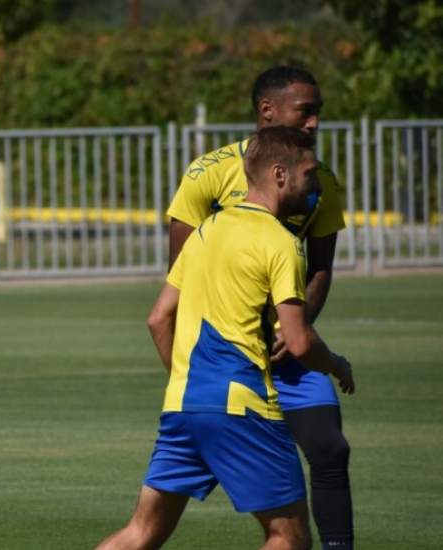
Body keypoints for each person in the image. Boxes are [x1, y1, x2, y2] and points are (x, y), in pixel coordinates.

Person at [97, 126, 356, 550]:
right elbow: (299, 342)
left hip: (183, 405)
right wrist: (337, 365)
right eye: (309, 174)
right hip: (243, 406)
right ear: (279, 175)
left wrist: (188, 384)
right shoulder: (281, 242)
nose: (316, 186)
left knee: (140, 533)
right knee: (289, 537)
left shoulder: (205, 232)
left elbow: (158, 318)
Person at [166, 66, 354, 549]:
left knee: (329, 448)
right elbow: (181, 271)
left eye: (318, 112)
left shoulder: (320, 180)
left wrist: (296, 328)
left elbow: (321, 267)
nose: (314, 122)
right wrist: (188, 369)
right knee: (279, 525)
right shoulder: (208, 172)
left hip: (290, 348)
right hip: (227, 359)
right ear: (267, 110)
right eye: (305, 111)